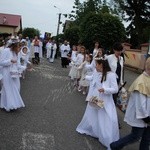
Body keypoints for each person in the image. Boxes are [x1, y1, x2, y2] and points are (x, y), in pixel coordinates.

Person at [76, 58, 119, 150]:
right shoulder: (96, 71)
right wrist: (84, 77)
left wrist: (105, 90)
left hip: (106, 100)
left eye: (97, 64)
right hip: (95, 97)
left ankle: (107, 137)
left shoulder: (111, 75)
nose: (95, 66)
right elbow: (92, 78)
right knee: (93, 114)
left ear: (102, 65)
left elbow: (115, 89)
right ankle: (95, 131)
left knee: (106, 118)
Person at [110, 57, 150, 150]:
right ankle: (115, 145)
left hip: (148, 115)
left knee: (147, 138)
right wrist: (146, 117)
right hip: (142, 116)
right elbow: (140, 104)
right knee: (136, 136)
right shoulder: (141, 82)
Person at [0, 39, 25, 111]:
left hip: (14, 73)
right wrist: (10, 61)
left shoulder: (16, 53)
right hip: (6, 73)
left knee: (16, 87)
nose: (20, 49)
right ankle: (8, 105)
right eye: (18, 47)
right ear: (14, 46)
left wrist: (25, 67)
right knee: (8, 89)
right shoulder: (6, 51)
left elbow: (18, 64)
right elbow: (1, 62)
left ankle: (13, 104)